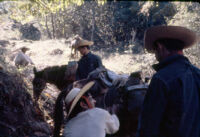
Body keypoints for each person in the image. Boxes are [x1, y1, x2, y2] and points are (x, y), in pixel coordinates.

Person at [137, 26, 200, 137]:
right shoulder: (197, 73)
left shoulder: (161, 79)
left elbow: (148, 126)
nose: (156, 55)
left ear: (160, 47)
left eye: (155, 50)